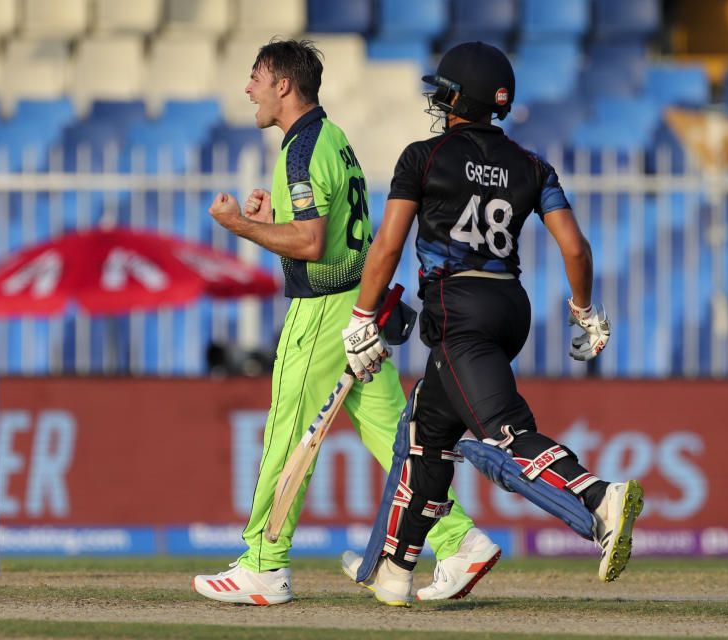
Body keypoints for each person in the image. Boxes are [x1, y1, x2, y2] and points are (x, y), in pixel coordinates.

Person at [192, 39, 500, 606]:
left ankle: (264, 563)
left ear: (283, 85)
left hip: (325, 313)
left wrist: (239, 225)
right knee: (393, 437)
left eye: (256, 76)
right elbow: (325, 233)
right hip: (360, 308)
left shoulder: (302, 148)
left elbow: (310, 245)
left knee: (287, 436)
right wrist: (271, 220)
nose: (248, 89)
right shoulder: (332, 138)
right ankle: (461, 539)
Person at [339, 41, 645, 606]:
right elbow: (575, 248)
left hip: (459, 313)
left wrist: (362, 317)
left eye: (443, 92)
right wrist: (583, 312)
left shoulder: (422, 157)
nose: (437, 100)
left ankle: (600, 495)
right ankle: (396, 570)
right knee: (428, 438)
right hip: (510, 307)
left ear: (456, 98)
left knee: (502, 432)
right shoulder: (532, 165)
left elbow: (387, 245)